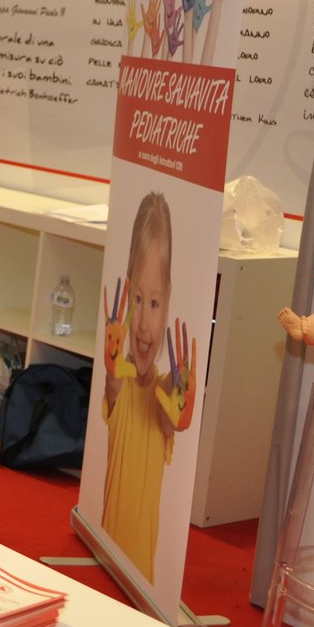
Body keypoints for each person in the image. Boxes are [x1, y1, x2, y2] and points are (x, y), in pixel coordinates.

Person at [99, 192, 196, 581]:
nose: (142, 323)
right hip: (106, 555)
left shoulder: (162, 397)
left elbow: (172, 416)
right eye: (136, 299)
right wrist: (111, 365)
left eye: (154, 304)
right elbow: (113, 384)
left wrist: (182, 400)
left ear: (169, 300)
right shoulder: (120, 381)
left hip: (142, 579)